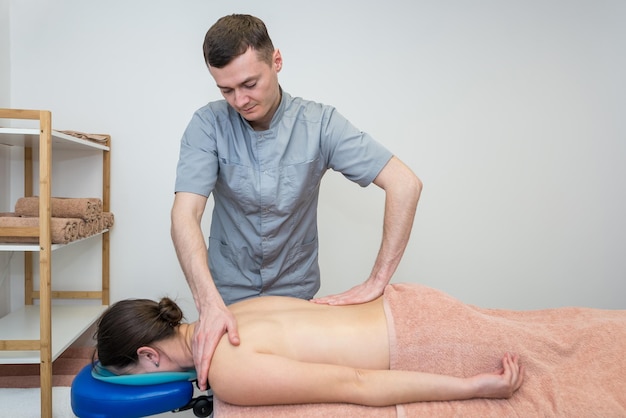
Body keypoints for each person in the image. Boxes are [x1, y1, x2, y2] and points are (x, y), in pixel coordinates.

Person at [171, 14, 422, 390]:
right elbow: (184, 215)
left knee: (298, 390)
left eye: (249, 84)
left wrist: (377, 281)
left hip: (295, 292)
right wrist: (208, 304)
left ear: (276, 61)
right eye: (226, 90)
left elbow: (405, 183)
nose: (239, 100)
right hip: (226, 294)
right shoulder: (207, 125)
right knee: (231, 386)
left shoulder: (320, 123)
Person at [94, 288, 524, 407]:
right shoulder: (228, 311)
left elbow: (356, 383)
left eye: (135, 375)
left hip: (422, 340)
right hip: (412, 302)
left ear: (150, 355)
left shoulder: (228, 370)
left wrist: (474, 387)